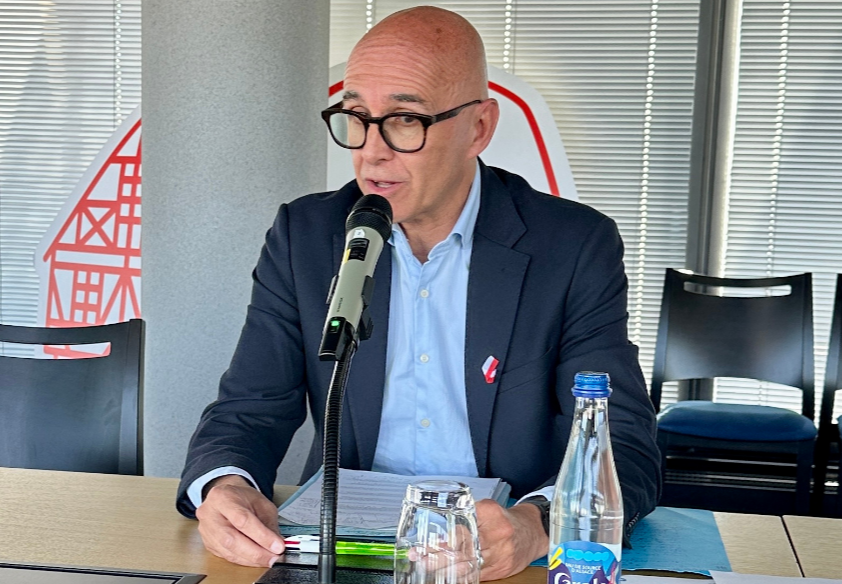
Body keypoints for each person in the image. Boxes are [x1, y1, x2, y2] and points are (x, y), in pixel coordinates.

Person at [177, 6, 661, 581]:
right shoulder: (306, 237)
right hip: (343, 555)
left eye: (405, 120)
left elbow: (621, 443)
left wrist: (535, 525)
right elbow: (248, 409)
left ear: (479, 128)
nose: (371, 151)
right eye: (356, 116)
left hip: (500, 564)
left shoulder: (572, 247)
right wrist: (225, 486)